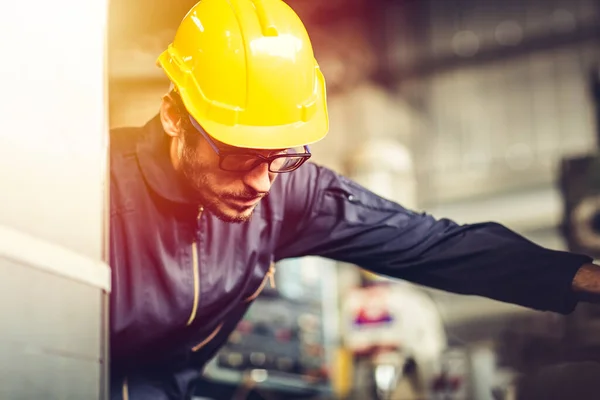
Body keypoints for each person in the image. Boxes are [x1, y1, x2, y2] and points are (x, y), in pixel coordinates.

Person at [108, 0, 600, 399]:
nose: (261, 183)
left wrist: (583, 277)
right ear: (175, 116)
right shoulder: (96, 191)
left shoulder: (289, 195)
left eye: (279, 156)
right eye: (239, 156)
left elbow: (433, 244)